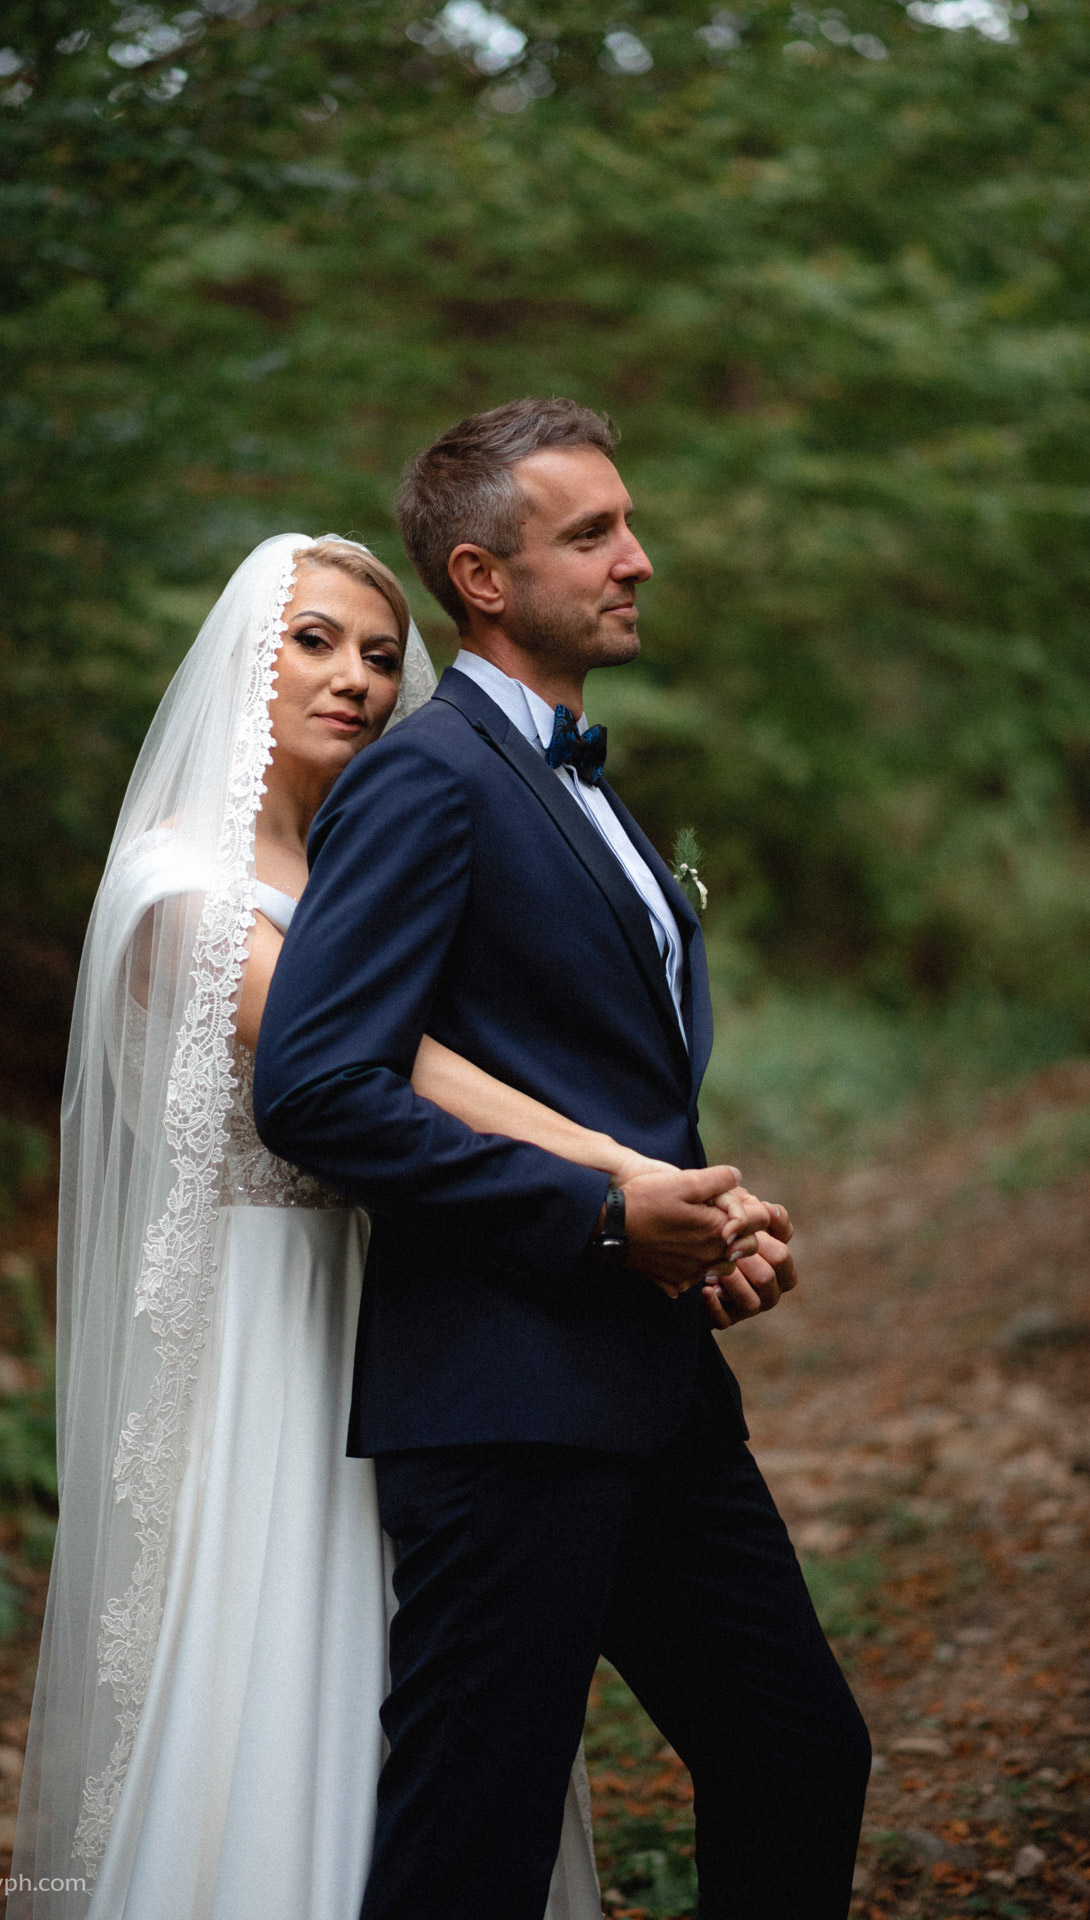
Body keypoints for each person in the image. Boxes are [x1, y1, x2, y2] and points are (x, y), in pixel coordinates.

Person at [10, 530, 769, 1920]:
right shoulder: (178, 890)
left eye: (376, 652)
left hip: (411, 1298)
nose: (354, 678)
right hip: (272, 1322)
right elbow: (407, 1072)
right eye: (310, 643)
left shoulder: (354, 868)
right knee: (285, 1648)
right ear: (239, 667)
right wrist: (624, 1177)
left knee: (451, 1700)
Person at [254, 401, 873, 1920]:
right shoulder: (425, 777)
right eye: (592, 534)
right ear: (482, 576)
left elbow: (579, 1077)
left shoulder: (581, 785)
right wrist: (601, 1221)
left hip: (653, 1389)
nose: (635, 559)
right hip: (505, 1404)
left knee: (798, 1754)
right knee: (472, 1847)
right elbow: (318, 1087)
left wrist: (700, 1229)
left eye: (628, 525)